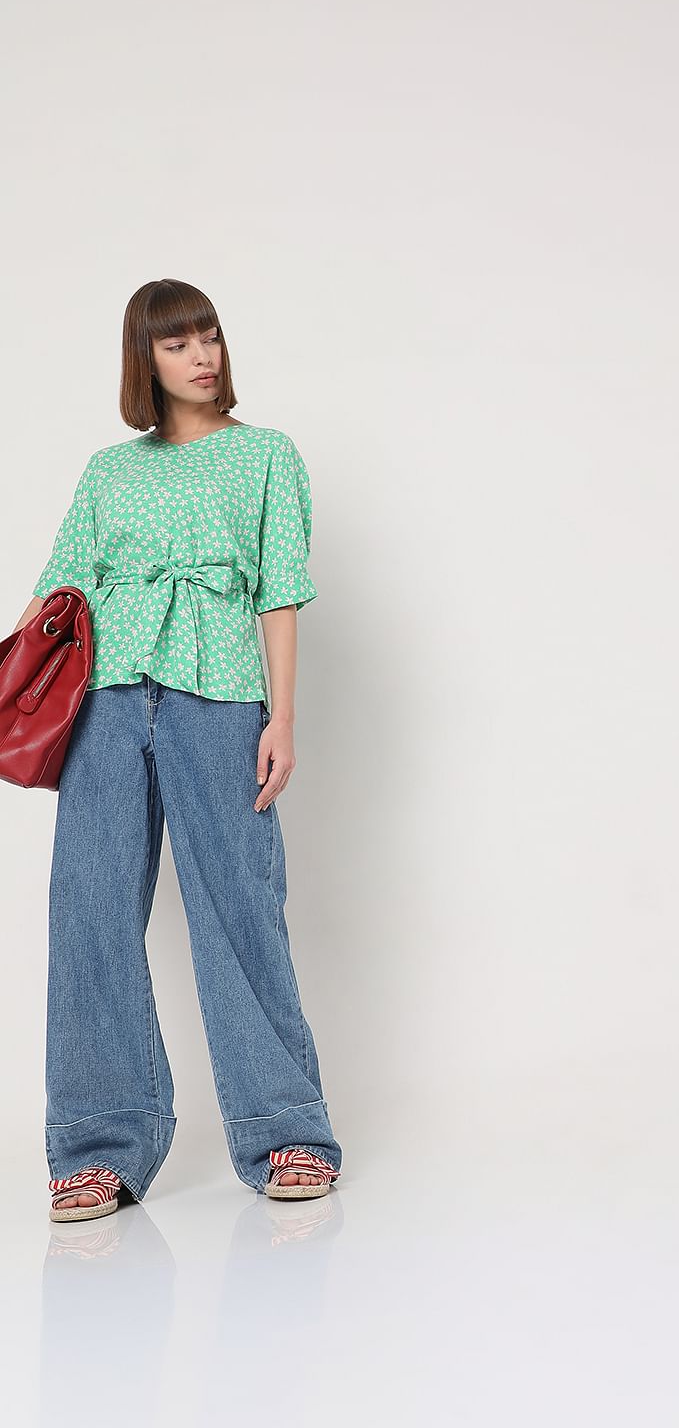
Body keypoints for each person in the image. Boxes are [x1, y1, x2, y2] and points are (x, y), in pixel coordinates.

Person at [14, 278, 343, 1222]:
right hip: (107, 704)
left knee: (240, 908)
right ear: (143, 360)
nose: (202, 356)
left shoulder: (267, 456)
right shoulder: (108, 472)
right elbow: (61, 589)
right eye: (177, 344)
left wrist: (283, 716)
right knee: (91, 915)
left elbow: (279, 589)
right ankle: (98, 1147)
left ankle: (287, 1128)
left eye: (209, 337)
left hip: (221, 697)